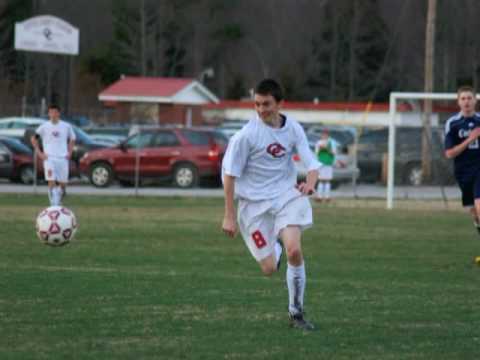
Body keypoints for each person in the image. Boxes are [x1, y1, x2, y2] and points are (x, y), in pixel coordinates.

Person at [221, 79, 320, 330]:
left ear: (279, 104)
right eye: (256, 104)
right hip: (253, 207)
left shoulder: (293, 129)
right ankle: (273, 243)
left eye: (266, 104)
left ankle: (296, 313)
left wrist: (309, 183)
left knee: (295, 251)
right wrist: (229, 216)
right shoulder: (246, 136)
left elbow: (311, 164)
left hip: (287, 196)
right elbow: (229, 175)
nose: (261, 109)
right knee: (268, 269)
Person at [444, 85, 480, 234]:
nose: (466, 102)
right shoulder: (452, 124)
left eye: (469, 98)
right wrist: (469, 140)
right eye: (463, 98)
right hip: (463, 172)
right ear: (458, 102)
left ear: (475, 101)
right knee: (474, 212)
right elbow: (449, 154)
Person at [31, 104, 76, 206]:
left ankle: (58, 196)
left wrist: (69, 152)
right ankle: (54, 204)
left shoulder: (66, 126)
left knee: (63, 184)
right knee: (51, 181)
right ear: (48, 114)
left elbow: (73, 139)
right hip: (49, 158)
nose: (53, 114)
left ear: (59, 113)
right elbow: (33, 139)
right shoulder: (44, 127)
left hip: (62, 158)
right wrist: (40, 153)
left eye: (55, 112)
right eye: (51, 112)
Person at [315, 129, 337, 202]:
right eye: (323, 134)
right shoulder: (318, 142)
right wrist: (321, 148)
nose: (324, 136)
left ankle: (327, 197)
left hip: (328, 163)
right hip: (321, 162)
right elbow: (316, 153)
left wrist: (327, 149)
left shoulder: (332, 142)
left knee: (327, 180)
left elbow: (334, 153)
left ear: (328, 135)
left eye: (326, 134)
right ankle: (319, 197)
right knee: (321, 180)